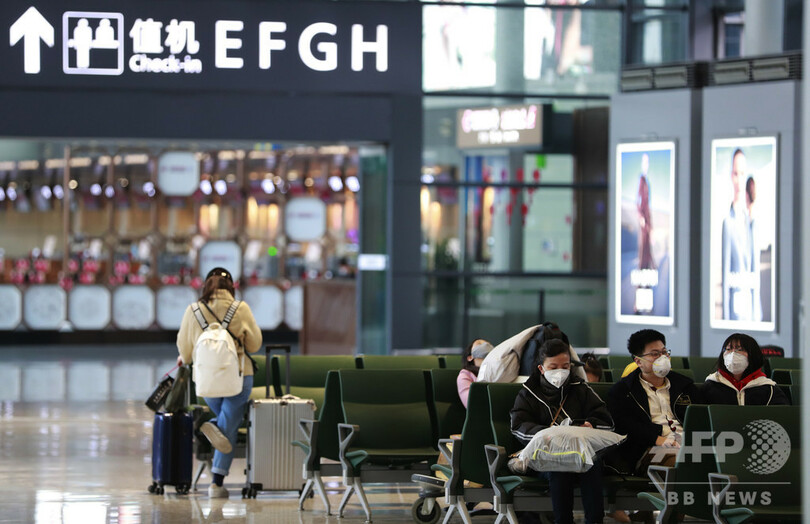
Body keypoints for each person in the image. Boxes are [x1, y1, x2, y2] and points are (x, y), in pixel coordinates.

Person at [176, 267, 262, 498]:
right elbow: (255, 345)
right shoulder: (240, 308)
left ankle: (213, 426)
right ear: (231, 287)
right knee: (230, 425)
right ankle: (216, 483)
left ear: (205, 286)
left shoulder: (193, 310)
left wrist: (184, 357)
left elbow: (185, 352)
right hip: (239, 377)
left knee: (227, 423)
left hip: (208, 381)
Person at [511, 339, 613, 524]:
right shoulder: (528, 393)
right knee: (559, 467)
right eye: (553, 367)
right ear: (541, 368)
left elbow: (605, 420)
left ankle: (595, 521)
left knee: (592, 463)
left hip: (580, 453)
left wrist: (590, 425)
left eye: (565, 366)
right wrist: (547, 434)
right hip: (544, 456)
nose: (560, 371)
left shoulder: (580, 388)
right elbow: (519, 426)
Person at [606, 329, 700, 477]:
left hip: (690, 445)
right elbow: (624, 426)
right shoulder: (623, 391)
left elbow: (701, 418)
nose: (662, 358)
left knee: (718, 459)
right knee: (685, 463)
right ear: (638, 361)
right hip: (649, 449)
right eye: (655, 354)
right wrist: (657, 439)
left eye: (664, 352)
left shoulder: (684, 386)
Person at [721, 148, 760, 321]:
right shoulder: (727, 223)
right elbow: (725, 277)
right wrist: (725, 321)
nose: (739, 179)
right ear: (731, 176)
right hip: (735, 315)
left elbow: (755, 272)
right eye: (736, 173)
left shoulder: (751, 221)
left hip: (752, 313)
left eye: (742, 173)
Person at [702, 333, 789, 406]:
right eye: (728, 349)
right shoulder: (711, 385)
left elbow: (781, 415)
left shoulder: (768, 389)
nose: (733, 354)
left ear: (752, 355)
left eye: (740, 349)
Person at [457, 339, 493, 408]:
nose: (485, 346)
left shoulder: (499, 372)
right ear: (470, 357)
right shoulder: (464, 376)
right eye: (479, 344)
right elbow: (471, 404)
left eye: (488, 345)